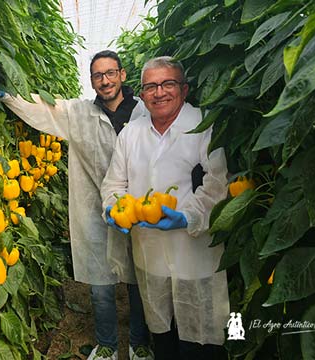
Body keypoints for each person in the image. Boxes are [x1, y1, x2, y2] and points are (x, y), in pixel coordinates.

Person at [0, 50, 153, 360]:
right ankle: (107, 344)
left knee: (140, 281)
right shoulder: (79, 113)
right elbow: (43, 108)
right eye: (98, 75)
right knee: (100, 286)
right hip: (95, 210)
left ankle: (140, 342)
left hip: (139, 209)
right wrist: (7, 94)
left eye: (111, 73)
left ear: (122, 75)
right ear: (92, 81)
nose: (105, 80)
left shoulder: (145, 112)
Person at [101, 56, 229, 360]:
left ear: (183, 89)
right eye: (150, 87)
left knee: (202, 341)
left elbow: (218, 185)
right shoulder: (131, 134)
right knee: (164, 338)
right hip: (150, 255)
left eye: (168, 84)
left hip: (196, 254)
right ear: (142, 95)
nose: (159, 93)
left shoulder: (203, 125)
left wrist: (188, 216)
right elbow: (113, 185)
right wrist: (115, 209)